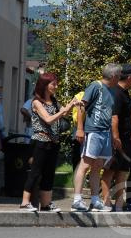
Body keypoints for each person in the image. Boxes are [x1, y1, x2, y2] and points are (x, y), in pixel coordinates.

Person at [19, 73, 79, 212]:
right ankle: (25, 202)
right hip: (40, 141)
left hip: (53, 142)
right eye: (53, 84)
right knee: (35, 172)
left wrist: (72, 104)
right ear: (45, 85)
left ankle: (46, 204)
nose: (56, 86)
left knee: (49, 173)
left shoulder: (53, 100)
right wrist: (63, 111)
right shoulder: (36, 102)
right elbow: (48, 119)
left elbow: (64, 114)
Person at [71, 63, 119, 212]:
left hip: (104, 132)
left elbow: (109, 113)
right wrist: (80, 129)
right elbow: (81, 106)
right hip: (93, 131)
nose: (119, 79)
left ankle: (95, 200)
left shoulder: (112, 90)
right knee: (85, 164)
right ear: (113, 76)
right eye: (118, 76)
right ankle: (77, 200)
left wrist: (112, 136)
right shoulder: (95, 86)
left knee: (98, 167)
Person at [100, 64, 131, 211]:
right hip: (117, 139)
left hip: (126, 138)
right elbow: (114, 117)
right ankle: (106, 202)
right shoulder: (116, 93)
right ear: (129, 77)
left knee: (122, 171)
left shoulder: (125, 93)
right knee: (110, 171)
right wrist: (116, 138)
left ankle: (119, 204)